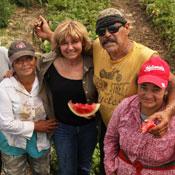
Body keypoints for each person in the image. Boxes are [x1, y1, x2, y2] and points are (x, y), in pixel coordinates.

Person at [34, 8, 175, 174]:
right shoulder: (98, 47)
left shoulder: (146, 56)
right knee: (106, 168)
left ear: (127, 27)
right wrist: (50, 35)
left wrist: (168, 112)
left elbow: (172, 83)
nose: (107, 34)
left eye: (113, 28)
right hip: (107, 128)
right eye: (101, 31)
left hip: (134, 129)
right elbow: (71, 45)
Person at [36, 20, 98, 175]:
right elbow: (27, 67)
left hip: (89, 127)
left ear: (83, 42)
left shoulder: (94, 62)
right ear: (58, 45)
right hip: (62, 127)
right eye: (64, 43)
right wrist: (12, 73)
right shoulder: (47, 63)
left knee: (84, 166)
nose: (70, 47)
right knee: (67, 170)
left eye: (75, 41)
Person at [104, 56, 175, 175]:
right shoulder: (125, 106)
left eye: (156, 89)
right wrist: (111, 169)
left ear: (166, 90)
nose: (148, 95)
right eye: (144, 87)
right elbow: (111, 138)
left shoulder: (171, 117)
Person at [0, 40, 58, 175]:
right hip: (12, 142)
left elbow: (59, 52)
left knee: (42, 171)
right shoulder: (5, 87)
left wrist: (49, 35)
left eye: (29, 58)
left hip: (40, 140)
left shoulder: (45, 79)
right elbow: (5, 123)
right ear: (12, 64)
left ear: (35, 59)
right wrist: (35, 126)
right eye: (19, 61)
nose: (25, 64)